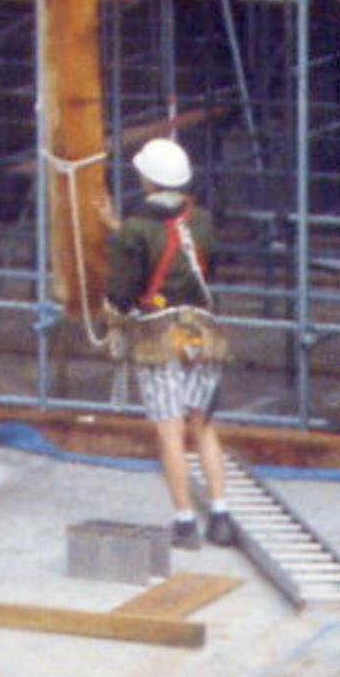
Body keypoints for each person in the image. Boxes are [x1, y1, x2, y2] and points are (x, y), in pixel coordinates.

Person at [108, 136, 234, 549]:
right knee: (203, 426)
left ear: (146, 178)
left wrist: (113, 309)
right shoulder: (202, 220)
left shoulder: (135, 229)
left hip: (159, 334)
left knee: (170, 431)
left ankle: (184, 522)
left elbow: (121, 292)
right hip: (199, 328)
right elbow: (188, 255)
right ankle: (219, 515)